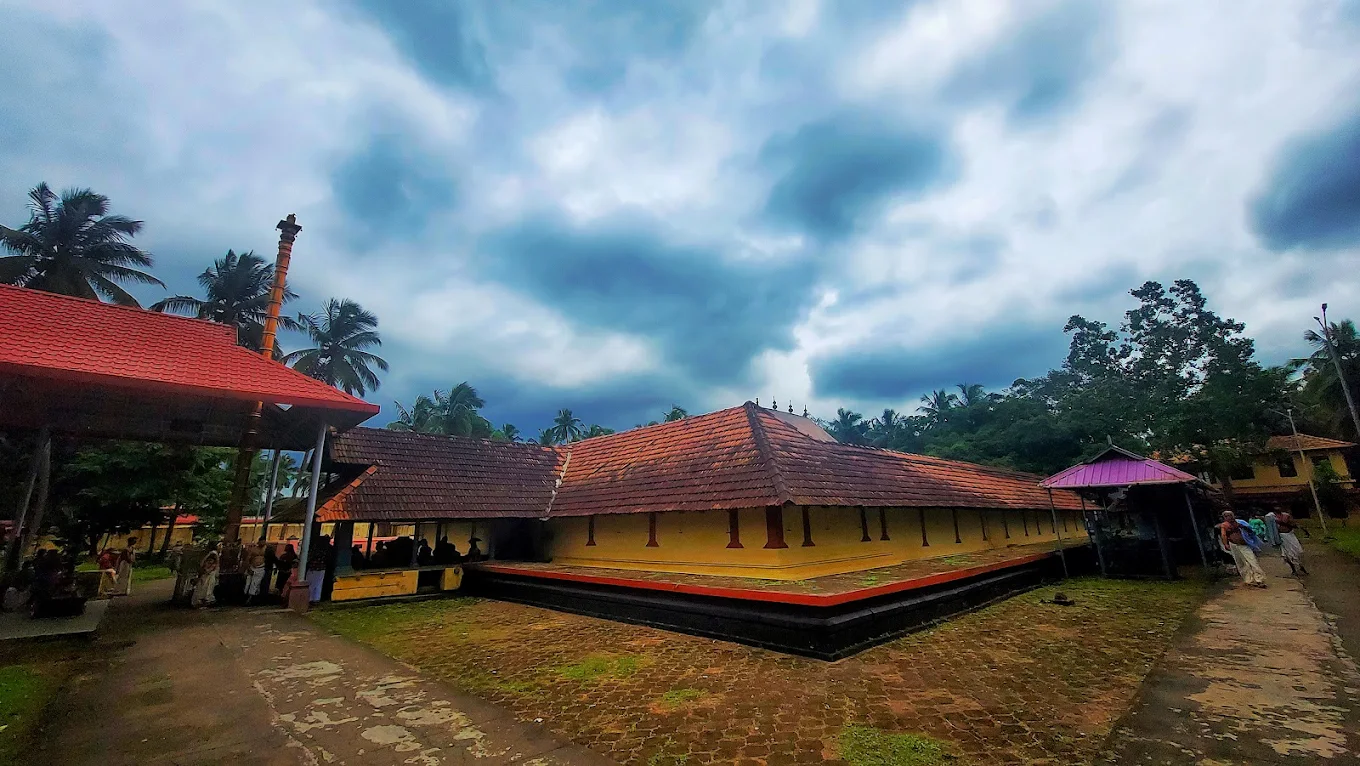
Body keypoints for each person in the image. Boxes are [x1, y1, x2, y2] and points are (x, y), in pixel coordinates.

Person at [1219, 511, 1266, 588]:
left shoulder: (1240, 522)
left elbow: (1251, 531)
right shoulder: (1224, 525)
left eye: (1230, 515)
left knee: (1253, 561)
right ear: (1224, 517)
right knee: (1240, 563)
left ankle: (1259, 579)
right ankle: (1248, 580)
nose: (1229, 517)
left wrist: (1242, 527)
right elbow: (1223, 535)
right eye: (1226, 516)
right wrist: (1226, 544)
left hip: (1244, 545)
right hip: (1233, 545)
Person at [1276, 511, 1309, 576]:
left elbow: (1294, 525)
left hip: (1290, 536)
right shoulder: (1273, 518)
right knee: (1287, 555)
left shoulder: (1286, 516)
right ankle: (1294, 569)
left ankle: (1301, 567)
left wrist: (1304, 530)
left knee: (1297, 552)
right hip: (1283, 538)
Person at [306, 536, 331, 604]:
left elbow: (309, 557)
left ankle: (309, 598)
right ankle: (316, 598)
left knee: (310, 583)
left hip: (313, 567)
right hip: (322, 568)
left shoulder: (315, 549)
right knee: (318, 584)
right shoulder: (327, 549)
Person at [243, 538, 268, 604]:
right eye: (261, 541)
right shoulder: (253, 549)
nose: (263, 543)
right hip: (252, 567)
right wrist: (248, 568)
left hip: (261, 568)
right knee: (248, 583)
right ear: (259, 542)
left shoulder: (267, 550)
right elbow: (248, 559)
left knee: (255, 584)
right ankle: (246, 597)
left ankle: (251, 598)